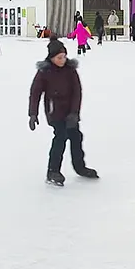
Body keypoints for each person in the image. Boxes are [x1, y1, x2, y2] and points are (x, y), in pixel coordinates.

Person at [28, 38, 98, 186]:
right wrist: (32, 114)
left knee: (76, 136)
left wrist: (75, 112)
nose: (62, 60)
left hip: (70, 111)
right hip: (55, 112)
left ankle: (80, 167)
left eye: (64, 57)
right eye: (59, 57)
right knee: (61, 137)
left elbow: (77, 92)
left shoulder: (70, 70)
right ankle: (52, 171)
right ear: (52, 58)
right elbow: (35, 93)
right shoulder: (44, 71)